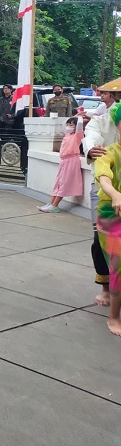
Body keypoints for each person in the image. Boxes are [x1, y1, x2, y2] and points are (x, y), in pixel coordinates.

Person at [83, 78, 121, 307]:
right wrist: (92, 149)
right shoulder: (99, 123)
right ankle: (106, 288)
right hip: (105, 190)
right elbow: (91, 141)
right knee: (102, 237)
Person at [92, 103, 121, 336]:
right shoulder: (108, 152)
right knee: (118, 263)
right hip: (111, 214)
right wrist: (114, 194)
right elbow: (104, 177)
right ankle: (113, 316)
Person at [39, 116, 85, 213]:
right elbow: (63, 124)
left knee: (64, 183)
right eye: (68, 125)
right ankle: (51, 203)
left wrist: (80, 117)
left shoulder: (78, 136)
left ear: (76, 127)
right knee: (59, 183)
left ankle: (55, 205)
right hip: (64, 161)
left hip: (71, 161)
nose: (68, 126)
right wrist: (74, 117)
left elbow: (80, 125)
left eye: (71, 125)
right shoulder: (67, 134)